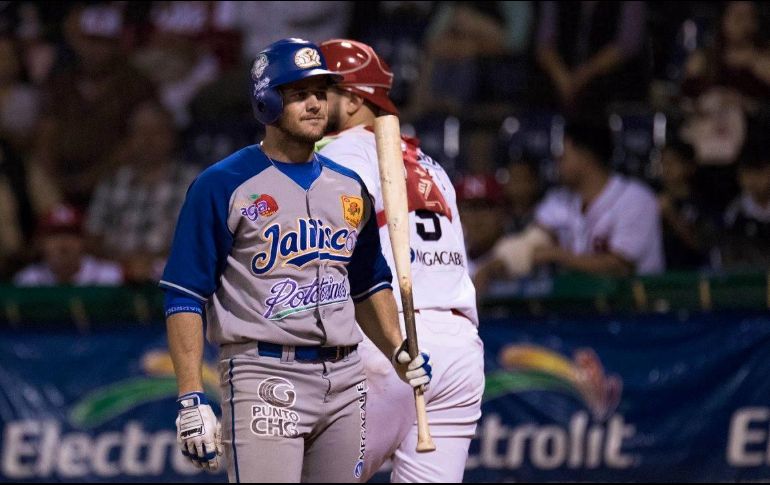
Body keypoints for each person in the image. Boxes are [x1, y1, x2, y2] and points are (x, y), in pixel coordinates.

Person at [159, 38, 432, 483]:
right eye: (299, 93)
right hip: (264, 374)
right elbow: (185, 295)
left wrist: (398, 349)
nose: (315, 104)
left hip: (346, 377)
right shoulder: (222, 183)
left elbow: (368, 283)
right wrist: (191, 397)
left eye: (321, 92)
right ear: (266, 101)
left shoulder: (349, 186)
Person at [318, 39, 484, 483]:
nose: (308, 104)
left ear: (353, 99)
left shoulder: (335, 155)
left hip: (388, 341)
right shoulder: (433, 167)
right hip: (458, 348)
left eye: (320, 92)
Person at [476, 118, 663, 289]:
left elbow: (618, 268)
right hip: (583, 311)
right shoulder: (559, 200)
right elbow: (529, 243)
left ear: (585, 156)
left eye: (564, 154)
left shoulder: (635, 199)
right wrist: (489, 268)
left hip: (638, 312)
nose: (557, 161)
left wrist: (557, 255)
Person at [14, 203, 123, 286]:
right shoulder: (27, 281)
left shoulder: (110, 277)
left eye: (71, 235)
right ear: (41, 243)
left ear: (84, 242)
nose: (64, 244)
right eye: (55, 236)